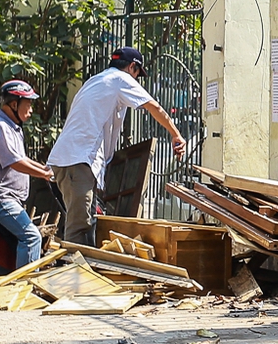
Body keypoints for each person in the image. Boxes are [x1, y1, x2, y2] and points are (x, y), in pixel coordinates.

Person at [47, 47, 186, 246]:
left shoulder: (95, 81)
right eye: (138, 74)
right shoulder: (120, 79)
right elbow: (154, 107)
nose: (136, 80)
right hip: (78, 160)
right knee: (81, 227)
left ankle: (81, 269)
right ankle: (76, 274)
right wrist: (176, 135)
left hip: (69, 160)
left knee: (86, 222)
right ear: (132, 67)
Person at [0, 80, 55, 265]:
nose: (31, 109)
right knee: (31, 237)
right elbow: (16, 163)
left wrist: (45, 169)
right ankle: (25, 288)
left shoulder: (11, 127)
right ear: (13, 104)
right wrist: (43, 175)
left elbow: (22, 158)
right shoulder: (0, 127)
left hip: (4, 198)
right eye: (28, 104)